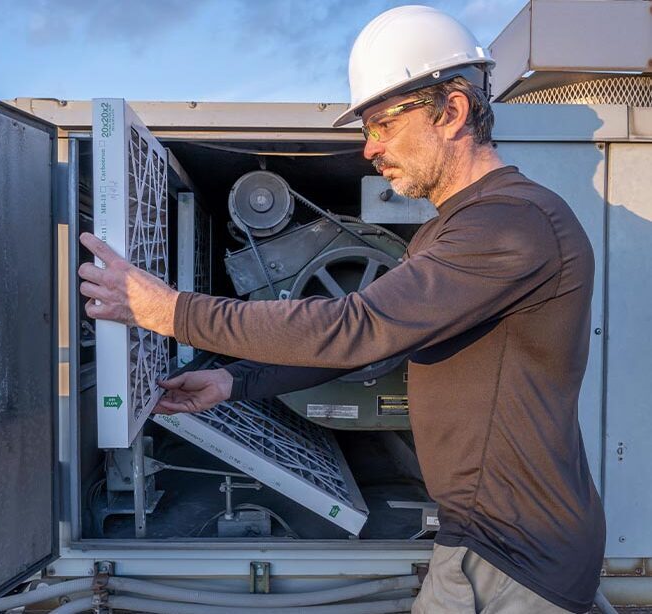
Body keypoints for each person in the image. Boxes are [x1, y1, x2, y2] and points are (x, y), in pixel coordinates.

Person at [78, 5, 605, 613]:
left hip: (512, 558)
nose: (369, 149)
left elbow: (355, 328)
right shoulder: (456, 230)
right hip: (496, 545)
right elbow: (376, 345)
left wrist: (170, 311)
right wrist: (231, 381)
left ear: (453, 112)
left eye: (382, 124)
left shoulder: (512, 223)